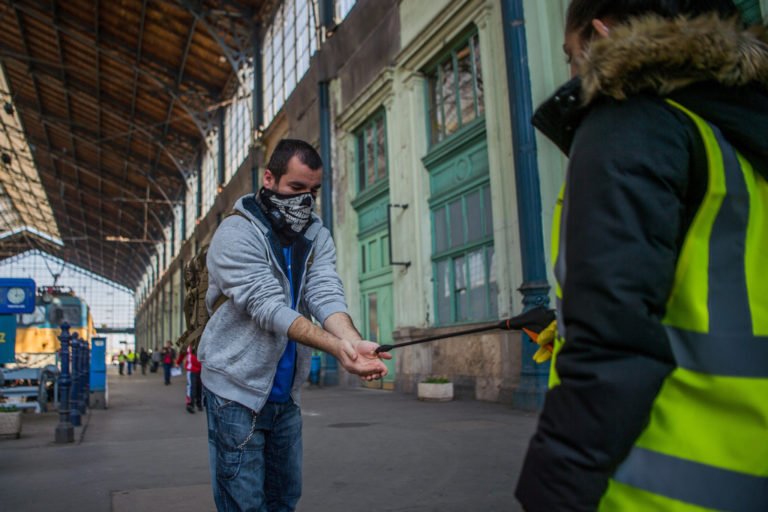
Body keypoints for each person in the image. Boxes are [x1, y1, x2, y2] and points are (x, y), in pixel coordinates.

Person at [516, 1, 768, 511]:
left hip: (658, 484)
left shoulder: (630, 122)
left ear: (602, 36)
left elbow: (613, 338)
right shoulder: (739, 139)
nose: (573, 70)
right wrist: (567, 320)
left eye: (571, 55)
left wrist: (553, 490)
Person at [198, 139, 390, 511]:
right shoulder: (235, 234)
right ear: (269, 179)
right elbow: (266, 306)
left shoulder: (315, 234)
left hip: (285, 394)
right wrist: (336, 348)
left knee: (284, 501)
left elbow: (325, 290)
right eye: (296, 188)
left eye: (313, 191)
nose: (305, 201)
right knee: (245, 505)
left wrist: (352, 341)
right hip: (235, 393)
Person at [176, 344, 202, 413]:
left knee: (200, 388)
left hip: (202, 370)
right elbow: (182, 353)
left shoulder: (203, 340)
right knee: (192, 387)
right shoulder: (189, 343)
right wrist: (178, 363)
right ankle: (190, 404)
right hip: (191, 369)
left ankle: (199, 403)